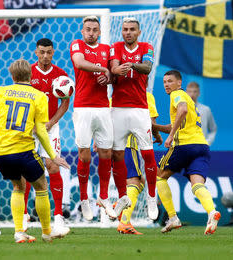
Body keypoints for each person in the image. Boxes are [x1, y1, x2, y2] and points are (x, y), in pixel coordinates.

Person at [0, 59, 69, 243]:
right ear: (31, 76)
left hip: (0, 152)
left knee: (18, 187)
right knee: (41, 187)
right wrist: (54, 156)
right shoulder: (39, 96)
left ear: (12, 76)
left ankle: (18, 232)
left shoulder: (1, 91)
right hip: (23, 151)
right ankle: (47, 232)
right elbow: (41, 131)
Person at [154, 70, 221, 235]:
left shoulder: (177, 95)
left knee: (159, 177)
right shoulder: (189, 100)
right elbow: (178, 122)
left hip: (183, 146)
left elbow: (181, 111)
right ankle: (212, 212)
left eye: (170, 81)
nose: (166, 85)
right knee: (197, 184)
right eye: (164, 82)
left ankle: (172, 217)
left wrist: (170, 136)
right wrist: (156, 127)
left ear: (179, 83)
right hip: (201, 146)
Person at [109, 17, 159, 219]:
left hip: (139, 109)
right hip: (118, 109)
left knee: (148, 154)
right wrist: (116, 69)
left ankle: (151, 198)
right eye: (125, 29)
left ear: (139, 32)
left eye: (132, 29)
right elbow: (113, 67)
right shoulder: (116, 46)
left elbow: (147, 67)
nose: (128, 32)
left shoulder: (147, 46)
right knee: (117, 156)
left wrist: (129, 65)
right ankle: (122, 197)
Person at [20, 38, 71, 236]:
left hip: (51, 128)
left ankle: (58, 215)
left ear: (53, 52)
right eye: (42, 52)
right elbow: (21, 99)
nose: (45, 56)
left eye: (49, 52)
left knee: (53, 166)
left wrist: (51, 123)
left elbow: (65, 104)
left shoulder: (61, 75)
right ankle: (23, 214)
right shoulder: (28, 73)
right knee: (25, 171)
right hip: (29, 129)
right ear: (35, 52)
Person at [70, 16, 116, 220]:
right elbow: (79, 63)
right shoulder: (77, 44)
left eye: (94, 29)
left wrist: (108, 77)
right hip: (83, 107)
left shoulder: (107, 49)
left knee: (106, 152)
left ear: (99, 32)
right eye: (87, 29)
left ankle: (104, 197)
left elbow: (113, 76)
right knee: (84, 154)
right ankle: (84, 199)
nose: (91, 32)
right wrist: (101, 68)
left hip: (103, 108)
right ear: (82, 31)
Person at [116, 91, 162, 235]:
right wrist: (157, 135)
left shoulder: (116, 94)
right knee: (134, 182)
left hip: (112, 145)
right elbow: (151, 123)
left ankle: (118, 204)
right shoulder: (147, 95)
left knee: (139, 181)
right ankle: (124, 222)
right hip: (128, 144)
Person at [186, 82, 217, 146]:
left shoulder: (206, 109)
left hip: (201, 147)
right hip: (184, 147)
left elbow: (213, 129)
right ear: (186, 93)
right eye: (189, 91)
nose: (192, 94)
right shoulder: (180, 109)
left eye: (195, 91)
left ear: (199, 93)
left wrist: (207, 143)